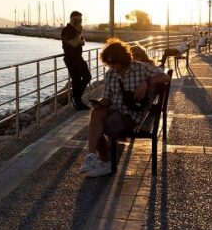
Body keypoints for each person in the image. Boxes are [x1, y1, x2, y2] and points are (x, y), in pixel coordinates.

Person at [80, 39, 169, 177]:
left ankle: (105, 163)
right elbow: (107, 98)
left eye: (115, 63)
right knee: (96, 113)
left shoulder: (141, 68)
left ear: (123, 59)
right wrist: (100, 102)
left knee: (98, 125)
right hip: (114, 110)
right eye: (110, 64)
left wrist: (147, 82)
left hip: (131, 115)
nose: (113, 67)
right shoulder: (111, 73)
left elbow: (165, 77)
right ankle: (91, 157)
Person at [61, 11, 92, 110]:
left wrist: (78, 36)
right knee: (76, 80)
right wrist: (78, 34)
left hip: (79, 58)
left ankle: (76, 98)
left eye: (80, 20)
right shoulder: (66, 30)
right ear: (72, 19)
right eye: (77, 20)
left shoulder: (77, 30)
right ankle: (78, 102)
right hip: (71, 59)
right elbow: (74, 44)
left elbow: (83, 42)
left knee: (87, 76)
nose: (79, 22)